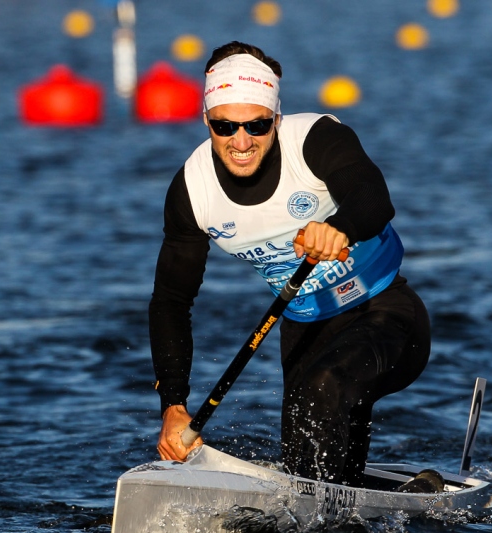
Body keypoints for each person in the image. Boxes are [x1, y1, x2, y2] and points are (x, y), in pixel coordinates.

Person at [151, 41, 431, 487]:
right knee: (312, 463)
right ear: (206, 121)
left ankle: (331, 521)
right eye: (225, 127)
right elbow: (170, 301)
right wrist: (174, 404)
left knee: (327, 387)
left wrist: (339, 226)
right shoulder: (192, 191)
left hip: (386, 315)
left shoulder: (315, 139)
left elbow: (373, 197)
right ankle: (346, 521)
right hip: (303, 334)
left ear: (276, 120)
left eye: (257, 125)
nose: (241, 142)